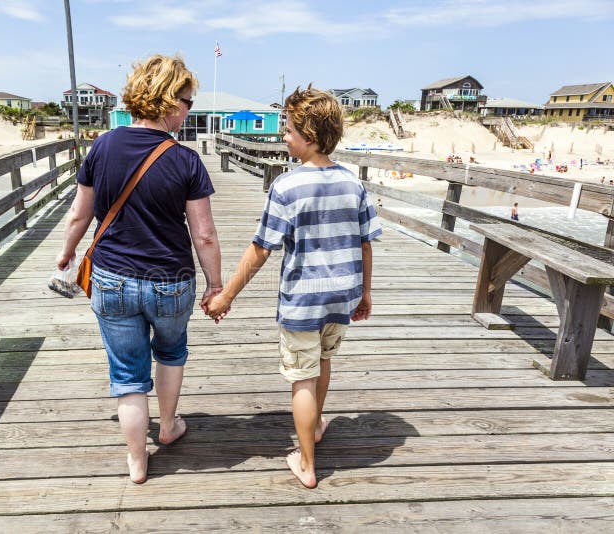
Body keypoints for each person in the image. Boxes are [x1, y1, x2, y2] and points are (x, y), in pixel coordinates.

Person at [56, 54, 223, 484]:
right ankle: (167, 428)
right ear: (169, 102)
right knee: (170, 353)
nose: (189, 111)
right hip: (170, 281)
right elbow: (203, 234)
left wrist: (67, 251)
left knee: (128, 375)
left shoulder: (103, 145)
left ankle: (136, 461)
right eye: (187, 102)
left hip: (111, 279)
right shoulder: (185, 160)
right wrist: (215, 284)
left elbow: (79, 214)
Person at [205, 86, 381, 488]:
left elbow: (260, 249)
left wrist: (226, 295)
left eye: (288, 130)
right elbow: (365, 242)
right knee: (323, 361)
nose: (283, 137)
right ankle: (315, 426)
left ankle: (307, 462)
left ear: (311, 137)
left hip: (303, 299)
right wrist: (365, 293)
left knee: (301, 375)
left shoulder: (286, 187)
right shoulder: (354, 185)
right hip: (343, 294)